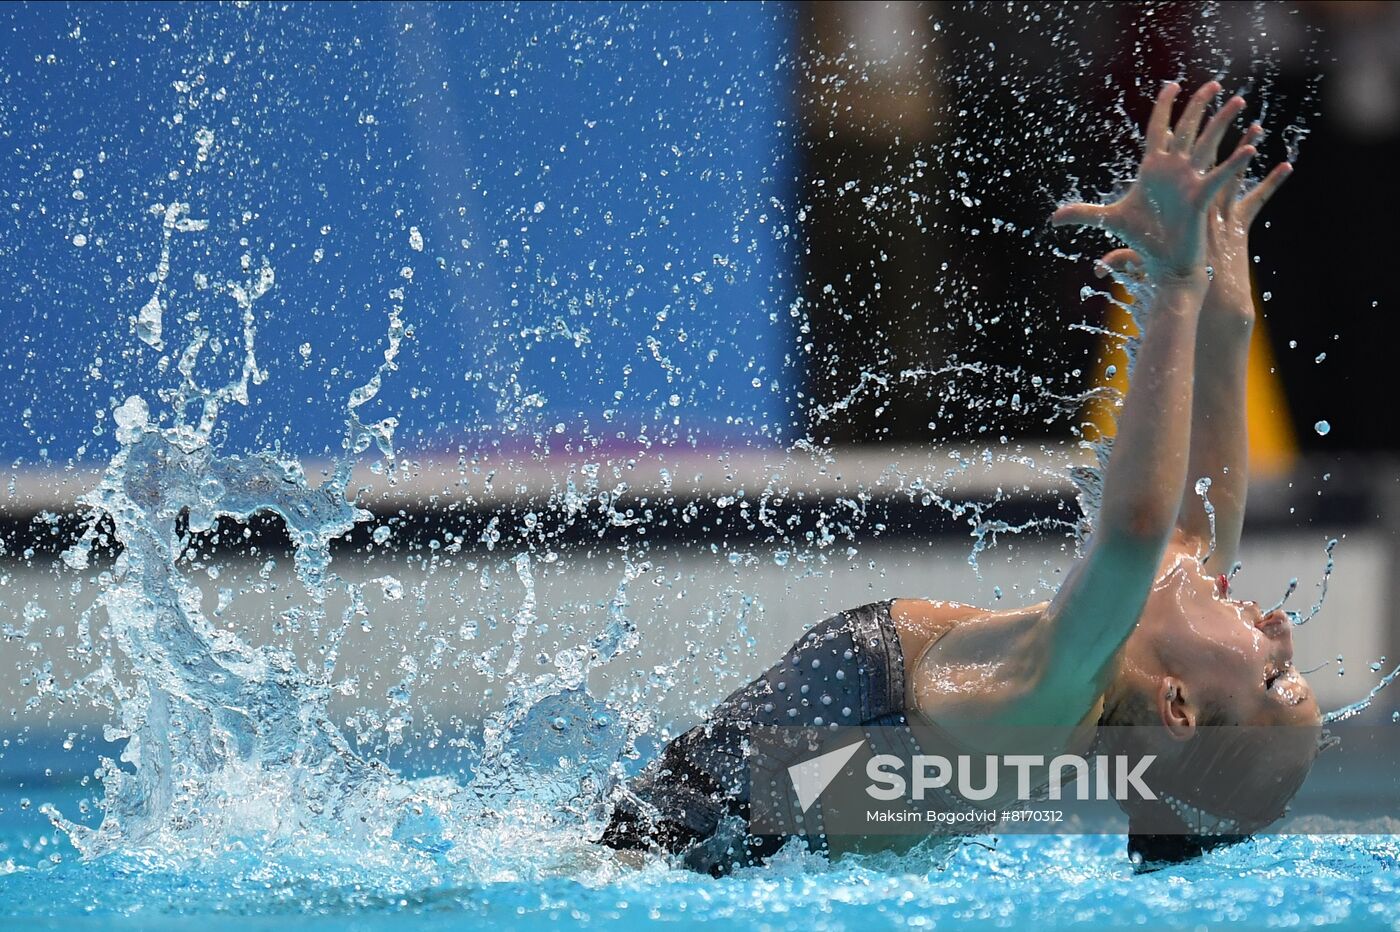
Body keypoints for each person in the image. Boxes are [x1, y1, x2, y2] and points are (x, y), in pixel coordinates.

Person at [599, 81, 1323, 874]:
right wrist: (1222, 270)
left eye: (1275, 672)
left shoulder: (1050, 705)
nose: (1283, 628)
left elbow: (1135, 525)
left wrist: (1174, 284)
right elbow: (1203, 473)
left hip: (677, 860)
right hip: (716, 824)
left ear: (1177, 707)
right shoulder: (1173, 591)